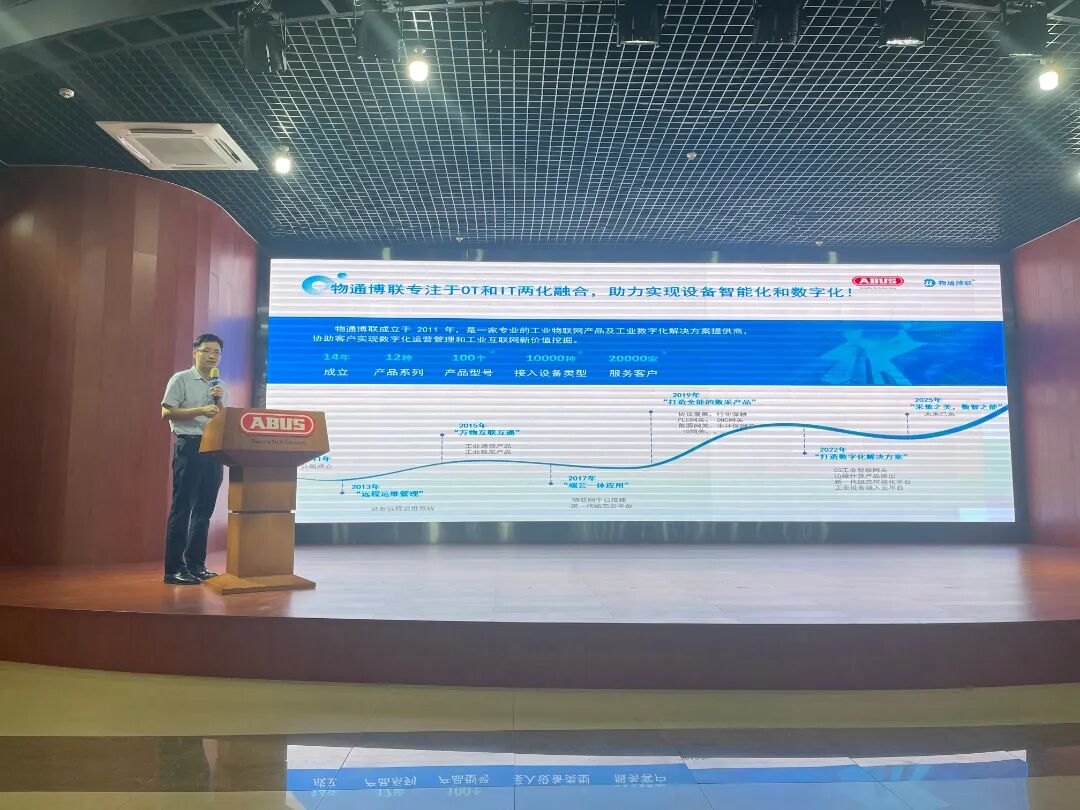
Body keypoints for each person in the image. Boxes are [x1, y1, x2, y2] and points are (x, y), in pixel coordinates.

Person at [159, 334, 226, 585]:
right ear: (195, 352)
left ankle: (196, 565)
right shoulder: (181, 379)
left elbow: (221, 418)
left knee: (204, 510)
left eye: (217, 352)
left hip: (213, 449)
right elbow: (166, 411)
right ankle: (173, 569)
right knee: (182, 508)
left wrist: (220, 405)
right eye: (207, 350)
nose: (212, 356)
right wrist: (200, 410)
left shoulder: (219, 385)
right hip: (189, 445)